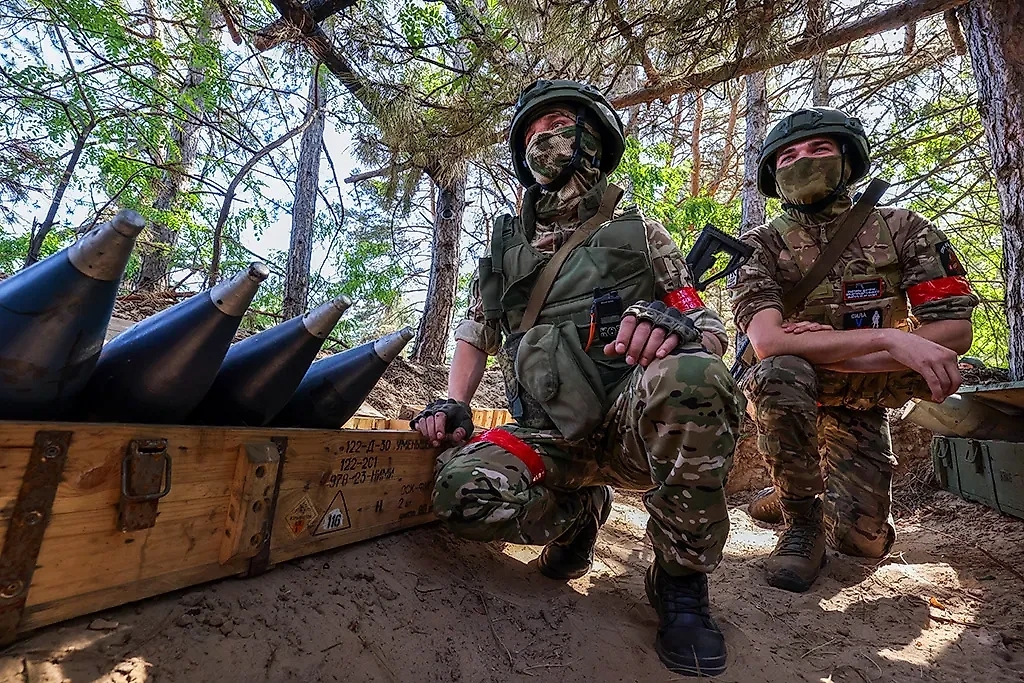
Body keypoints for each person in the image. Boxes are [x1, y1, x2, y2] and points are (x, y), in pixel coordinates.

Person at [410, 79, 743, 677]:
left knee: (694, 374)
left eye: (558, 123)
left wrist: (677, 325)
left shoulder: (638, 233)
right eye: (532, 132)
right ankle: (579, 512)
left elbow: (710, 331)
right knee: (460, 493)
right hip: (546, 436)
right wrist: (454, 402)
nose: (543, 138)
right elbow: (475, 330)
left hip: (628, 427)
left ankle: (680, 580)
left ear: (592, 138)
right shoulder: (505, 245)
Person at [729, 106, 979, 593]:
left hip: (866, 401)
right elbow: (768, 343)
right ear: (771, 174)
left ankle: (778, 498)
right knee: (779, 371)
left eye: (819, 149)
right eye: (788, 156)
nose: (802, 161)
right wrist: (892, 339)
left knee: (863, 543)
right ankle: (800, 521)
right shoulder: (760, 245)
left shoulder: (904, 229)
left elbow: (952, 332)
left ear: (848, 158)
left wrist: (834, 351)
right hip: (798, 392)